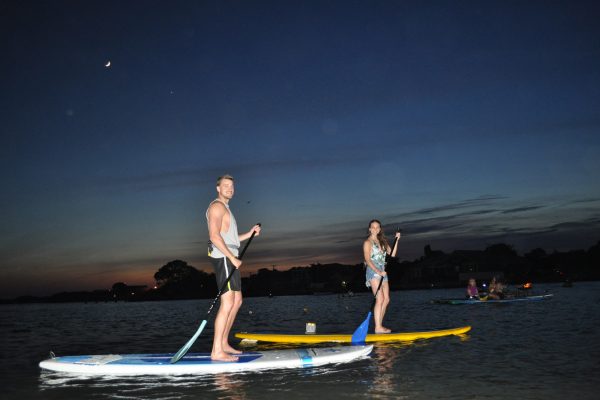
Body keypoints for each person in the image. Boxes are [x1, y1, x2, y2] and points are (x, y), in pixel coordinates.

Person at [206, 174, 261, 361]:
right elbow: (214, 236)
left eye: (232, 186)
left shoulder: (227, 209)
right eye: (226, 185)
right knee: (228, 302)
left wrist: (250, 233)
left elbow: (232, 238)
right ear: (218, 189)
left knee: (237, 301)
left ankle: (223, 344)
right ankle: (216, 351)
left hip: (231, 256)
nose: (230, 188)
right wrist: (231, 257)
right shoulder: (216, 207)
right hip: (223, 257)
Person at [363, 220, 401, 334]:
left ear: (380, 229)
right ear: (369, 229)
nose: (375, 229)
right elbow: (368, 260)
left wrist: (397, 240)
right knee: (379, 299)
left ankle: (379, 325)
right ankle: (378, 327)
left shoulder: (382, 241)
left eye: (377, 227)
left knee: (386, 299)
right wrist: (378, 271)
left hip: (383, 272)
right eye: (373, 227)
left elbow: (392, 254)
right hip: (373, 271)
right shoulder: (367, 242)